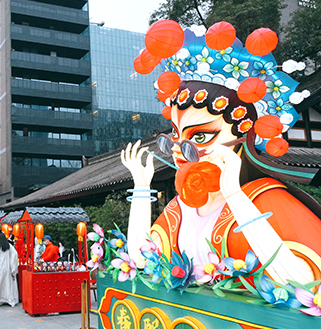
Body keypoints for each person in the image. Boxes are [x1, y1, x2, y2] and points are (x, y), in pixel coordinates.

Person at [122, 24, 321, 286]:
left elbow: (306, 283)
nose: (180, 151)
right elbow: (141, 263)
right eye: (175, 135)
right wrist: (141, 186)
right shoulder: (183, 206)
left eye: (200, 137)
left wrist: (234, 195)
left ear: (242, 139)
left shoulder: (265, 196)